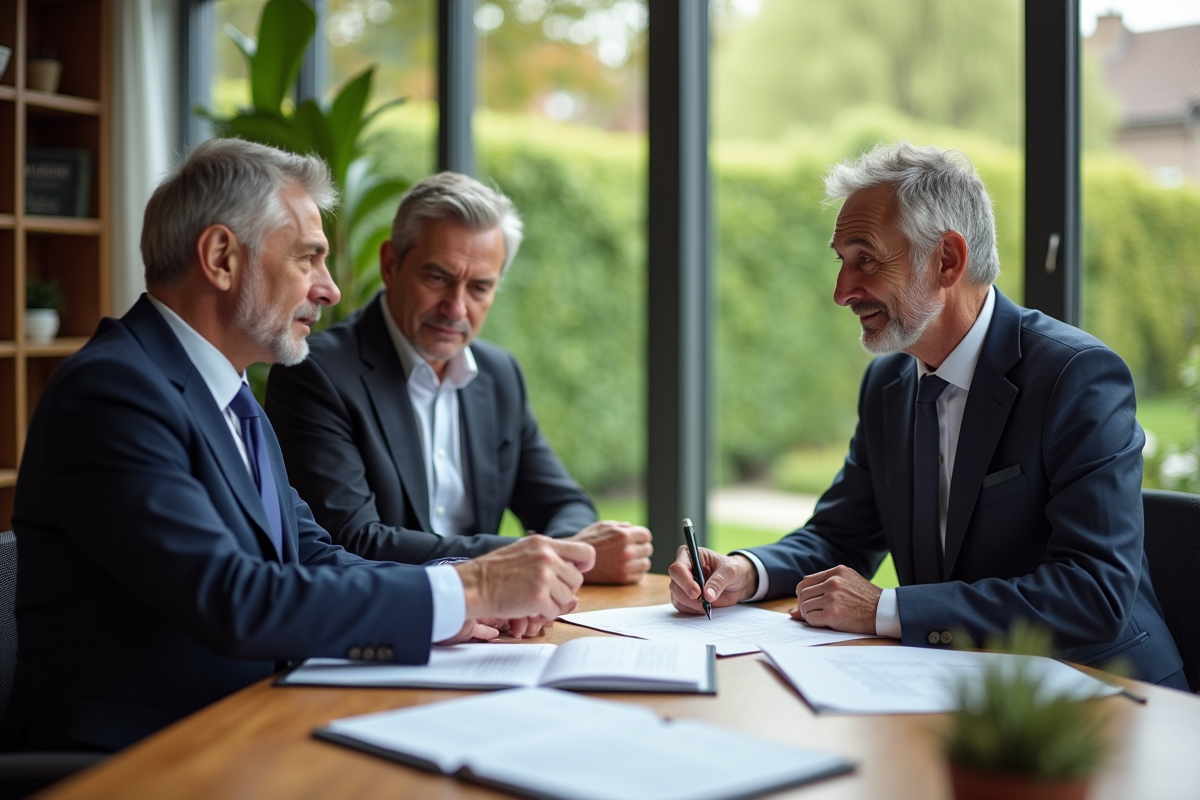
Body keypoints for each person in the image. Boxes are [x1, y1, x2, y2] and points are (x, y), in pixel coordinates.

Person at [0, 139, 595, 753]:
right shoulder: (112, 393)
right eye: (308, 258)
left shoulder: (227, 392)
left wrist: (463, 589)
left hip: (245, 724)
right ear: (222, 257)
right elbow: (235, 598)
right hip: (136, 760)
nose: (331, 289)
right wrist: (472, 591)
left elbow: (310, 554)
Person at [669, 142, 1187, 689]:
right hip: (955, 688)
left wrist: (885, 609)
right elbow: (840, 537)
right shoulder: (889, 382)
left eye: (864, 259)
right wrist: (745, 572)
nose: (842, 291)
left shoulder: (1077, 377)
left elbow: (1094, 593)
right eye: (841, 261)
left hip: (1106, 699)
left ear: (947, 260)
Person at [264, 172, 652, 584]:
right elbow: (353, 542)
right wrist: (539, 557)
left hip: (491, 630)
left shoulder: (500, 374)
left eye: (480, 288)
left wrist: (569, 548)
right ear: (391, 266)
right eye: (438, 278)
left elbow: (562, 503)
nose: (457, 308)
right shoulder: (316, 373)